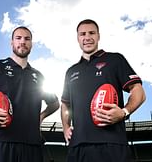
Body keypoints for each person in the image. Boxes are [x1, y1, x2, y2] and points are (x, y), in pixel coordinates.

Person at [61, 19, 146, 162]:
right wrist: (66, 127)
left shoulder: (115, 59)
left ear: (98, 36)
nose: (87, 37)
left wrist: (124, 112)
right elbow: (65, 104)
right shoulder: (71, 71)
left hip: (112, 144)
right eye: (82, 34)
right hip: (78, 147)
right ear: (78, 38)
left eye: (91, 33)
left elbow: (138, 91)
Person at [0, 26, 60, 162]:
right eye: (18, 38)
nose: (22, 42)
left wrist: (40, 117)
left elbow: (54, 103)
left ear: (31, 44)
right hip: (0, 142)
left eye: (27, 39)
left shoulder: (38, 75)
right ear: (11, 42)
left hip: (32, 145)